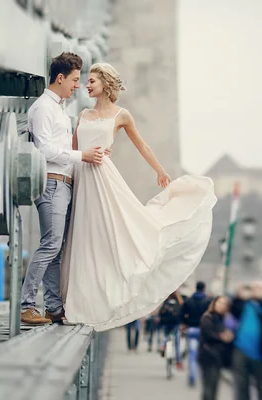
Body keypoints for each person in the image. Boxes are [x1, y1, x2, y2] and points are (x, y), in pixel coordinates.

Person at [59, 63, 216, 331]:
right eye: (86, 80)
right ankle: (73, 304)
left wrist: (160, 172)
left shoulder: (122, 115)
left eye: (92, 80)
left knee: (109, 235)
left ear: (106, 84)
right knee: (81, 236)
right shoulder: (83, 114)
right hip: (82, 175)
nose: (86, 84)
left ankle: (95, 303)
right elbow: (73, 148)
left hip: (103, 178)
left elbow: (142, 144)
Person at [20, 53, 105, 325]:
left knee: (56, 250)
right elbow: (44, 150)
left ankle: (54, 307)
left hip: (64, 183)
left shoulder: (59, 109)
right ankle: (26, 305)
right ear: (60, 78)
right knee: (50, 245)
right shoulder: (44, 108)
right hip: (52, 182)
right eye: (74, 79)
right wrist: (82, 156)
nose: (77, 86)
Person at [230, 280, 262, 400]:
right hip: (241, 348)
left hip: (259, 352)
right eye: (253, 288)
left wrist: (259, 298)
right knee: (241, 383)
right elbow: (234, 309)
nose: (255, 290)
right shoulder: (244, 303)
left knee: (261, 385)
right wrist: (239, 295)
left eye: (258, 288)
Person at [199, 296, 234, 400]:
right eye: (219, 303)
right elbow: (208, 334)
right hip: (208, 355)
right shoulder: (208, 317)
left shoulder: (224, 318)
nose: (221, 305)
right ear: (214, 304)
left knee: (214, 386)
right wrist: (222, 336)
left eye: (224, 304)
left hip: (218, 356)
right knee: (209, 386)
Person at [181, 281, 211, 387]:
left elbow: (182, 314)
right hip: (204, 331)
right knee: (203, 354)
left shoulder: (189, 301)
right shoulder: (208, 301)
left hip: (191, 330)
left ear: (195, 288)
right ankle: (203, 376)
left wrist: (185, 324)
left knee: (192, 354)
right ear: (204, 288)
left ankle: (192, 375)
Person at [158, 291, 184, 369]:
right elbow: (182, 312)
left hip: (166, 324)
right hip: (175, 324)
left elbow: (160, 313)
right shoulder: (178, 302)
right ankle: (178, 362)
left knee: (166, 336)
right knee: (177, 343)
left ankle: (163, 345)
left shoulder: (166, 302)